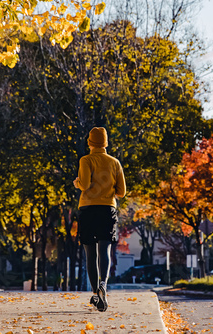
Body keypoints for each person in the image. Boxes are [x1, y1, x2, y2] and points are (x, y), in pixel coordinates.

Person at [73, 127, 126, 312]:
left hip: (87, 209)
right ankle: (104, 284)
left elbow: (85, 184)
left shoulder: (86, 160)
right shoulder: (114, 162)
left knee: (90, 253)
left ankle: (96, 292)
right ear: (106, 143)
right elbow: (122, 191)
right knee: (105, 250)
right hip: (107, 209)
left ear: (89, 143)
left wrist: (77, 182)